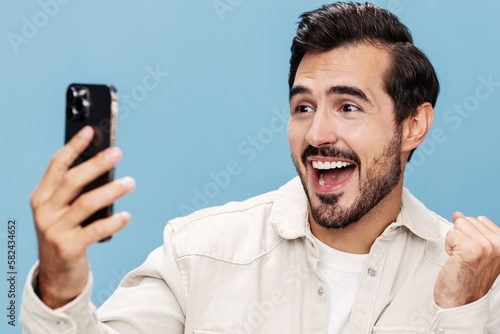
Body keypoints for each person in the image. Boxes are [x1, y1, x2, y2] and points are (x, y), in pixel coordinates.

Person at [21, 2, 500, 333]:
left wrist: (462, 314)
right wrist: (60, 283)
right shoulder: (197, 254)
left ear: (414, 125)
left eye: (348, 107)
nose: (317, 135)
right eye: (303, 107)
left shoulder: (480, 284)